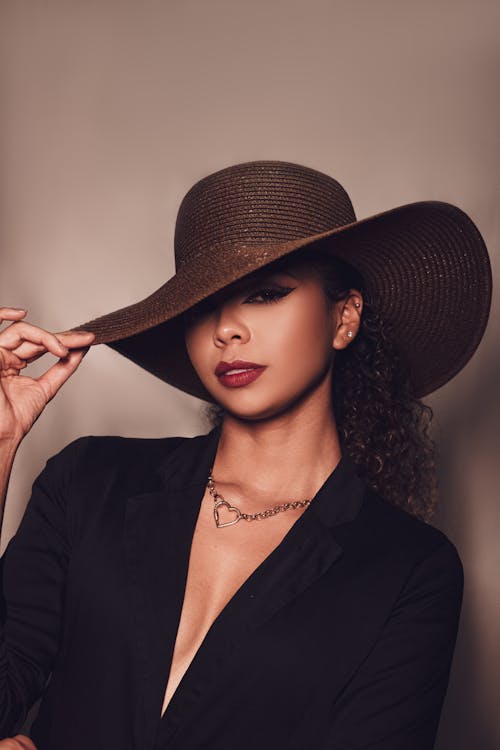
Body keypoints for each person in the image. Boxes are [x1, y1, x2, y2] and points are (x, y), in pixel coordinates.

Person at [0, 160, 492, 750]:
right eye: (203, 303)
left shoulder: (410, 570)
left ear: (345, 317)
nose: (226, 328)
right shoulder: (88, 482)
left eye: (266, 293)